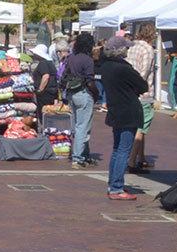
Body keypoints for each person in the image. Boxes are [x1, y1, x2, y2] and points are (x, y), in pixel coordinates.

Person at [96, 35, 148, 201]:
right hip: (128, 111)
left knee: (118, 149)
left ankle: (113, 183)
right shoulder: (123, 68)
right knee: (123, 150)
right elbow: (142, 86)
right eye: (125, 48)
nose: (127, 50)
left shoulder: (105, 67)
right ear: (119, 51)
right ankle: (116, 188)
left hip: (116, 110)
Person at [62, 33, 98, 168]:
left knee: (78, 124)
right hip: (84, 93)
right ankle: (77, 157)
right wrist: (96, 94)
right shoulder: (88, 60)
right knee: (83, 126)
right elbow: (90, 81)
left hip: (72, 93)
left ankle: (85, 154)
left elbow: (65, 74)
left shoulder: (71, 57)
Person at [125, 23, 157, 171]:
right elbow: (143, 74)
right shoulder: (148, 49)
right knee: (141, 127)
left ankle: (141, 158)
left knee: (140, 126)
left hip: (129, 91)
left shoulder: (132, 46)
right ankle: (131, 160)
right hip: (143, 92)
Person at [30, 43, 58, 110]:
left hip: (45, 93)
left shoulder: (43, 63)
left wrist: (40, 90)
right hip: (51, 92)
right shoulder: (50, 63)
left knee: (43, 111)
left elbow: (46, 76)